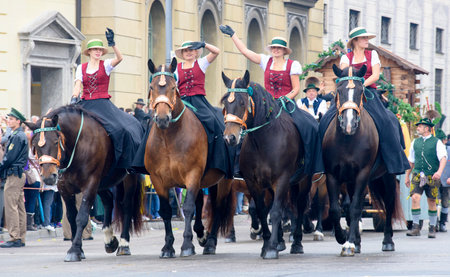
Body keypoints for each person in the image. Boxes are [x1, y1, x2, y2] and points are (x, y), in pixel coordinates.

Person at [219, 25, 324, 175]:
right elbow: (245, 52)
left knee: (308, 125)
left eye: (279, 48)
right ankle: (239, 167)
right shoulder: (266, 60)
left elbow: (296, 89)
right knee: (244, 127)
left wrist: (283, 99)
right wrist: (233, 35)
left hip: (286, 104)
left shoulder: (292, 65)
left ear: (284, 51)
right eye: (274, 47)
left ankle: (306, 164)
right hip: (266, 106)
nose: (276, 50)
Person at [319, 26, 410, 175]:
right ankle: (322, 160)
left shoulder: (372, 54)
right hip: (348, 95)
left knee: (386, 120)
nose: (367, 40)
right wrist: (352, 88)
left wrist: (359, 86)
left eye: (367, 38)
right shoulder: (345, 58)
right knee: (325, 120)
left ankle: (393, 161)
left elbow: (375, 76)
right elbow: (343, 76)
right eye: (364, 38)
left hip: (368, 92)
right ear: (355, 41)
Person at [71, 28, 143, 170]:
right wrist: (74, 98)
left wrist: (113, 44)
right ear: (89, 52)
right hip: (85, 103)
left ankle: (124, 163)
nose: (98, 52)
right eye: (95, 49)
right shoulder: (81, 67)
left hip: (103, 104)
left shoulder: (106, 64)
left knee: (121, 129)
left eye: (100, 50)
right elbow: (78, 84)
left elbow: (120, 58)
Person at [173, 40, 235, 179]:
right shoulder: (176, 68)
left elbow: (216, 51)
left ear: (196, 52)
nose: (188, 52)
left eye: (191, 50)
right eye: (185, 51)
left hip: (198, 101)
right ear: (182, 54)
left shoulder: (201, 63)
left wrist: (203, 44)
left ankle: (217, 159)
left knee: (213, 121)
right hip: (182, 101)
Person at [405, 118, 447, 238]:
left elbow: (443, 158)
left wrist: (439, 172)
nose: (418, 128)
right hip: (418, 175)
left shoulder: (437, 142)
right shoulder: (415, 142)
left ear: (427, 128)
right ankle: (416, 227)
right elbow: (411, 161)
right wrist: (407, 175)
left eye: (420, 126)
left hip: (432, 176)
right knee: (415, 198)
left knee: (432, 201)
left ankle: (432, 227)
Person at [0, 108, 29, 248]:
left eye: (11, 119)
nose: (8, 121)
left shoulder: (17, 136)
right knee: (19, 206)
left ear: (18, 121)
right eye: (8, 119)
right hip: (18, 173)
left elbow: (9, 158)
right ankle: (20, 237)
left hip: (13, 174)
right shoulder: (20, 135)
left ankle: (14, 237)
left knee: (11, 206)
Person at [437, 129, 449, 232]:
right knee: (434, 201)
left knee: (445, 202)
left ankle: (443, 222)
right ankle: (435, 222)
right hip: (435, 180)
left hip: (446, 180)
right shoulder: (434, 149)